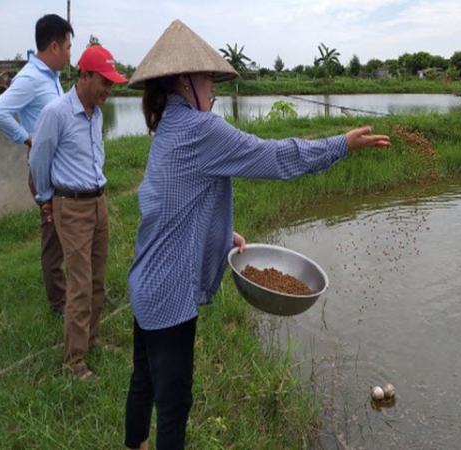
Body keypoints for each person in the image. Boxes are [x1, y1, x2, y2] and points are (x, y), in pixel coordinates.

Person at [123, 20, 392, 450]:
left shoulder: (170, 126)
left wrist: (220, 234)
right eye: (208, 77)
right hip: (170, 293)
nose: (212, 86)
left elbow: (168, 205)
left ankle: (133, 443)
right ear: (183, 81)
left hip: (145, 280)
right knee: (174, 400)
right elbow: (273, 157)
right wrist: (340, 145)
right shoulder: (199, 129)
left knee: (144, 377)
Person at [29, 45, 128, 380]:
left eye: (113, 84)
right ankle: (73, 362)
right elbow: (39, 159)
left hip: (98, 203)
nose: (109, 90)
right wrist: (45, 198)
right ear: (85, 76)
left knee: (98, 278)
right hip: (70, 206)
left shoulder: (96, 114)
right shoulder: (56, 112)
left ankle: (92, 339)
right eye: (105, 82)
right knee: (81, 285)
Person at [0, 14, 73, 316]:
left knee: (66, 229)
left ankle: (69, 294)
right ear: (54, 46)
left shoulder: (50, 77)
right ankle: (60, 304)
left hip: (58, 165)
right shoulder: (30, 78)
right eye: (68, 47)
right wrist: (29, 140)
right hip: (43, 167)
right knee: (53, 236)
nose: (69, 53)